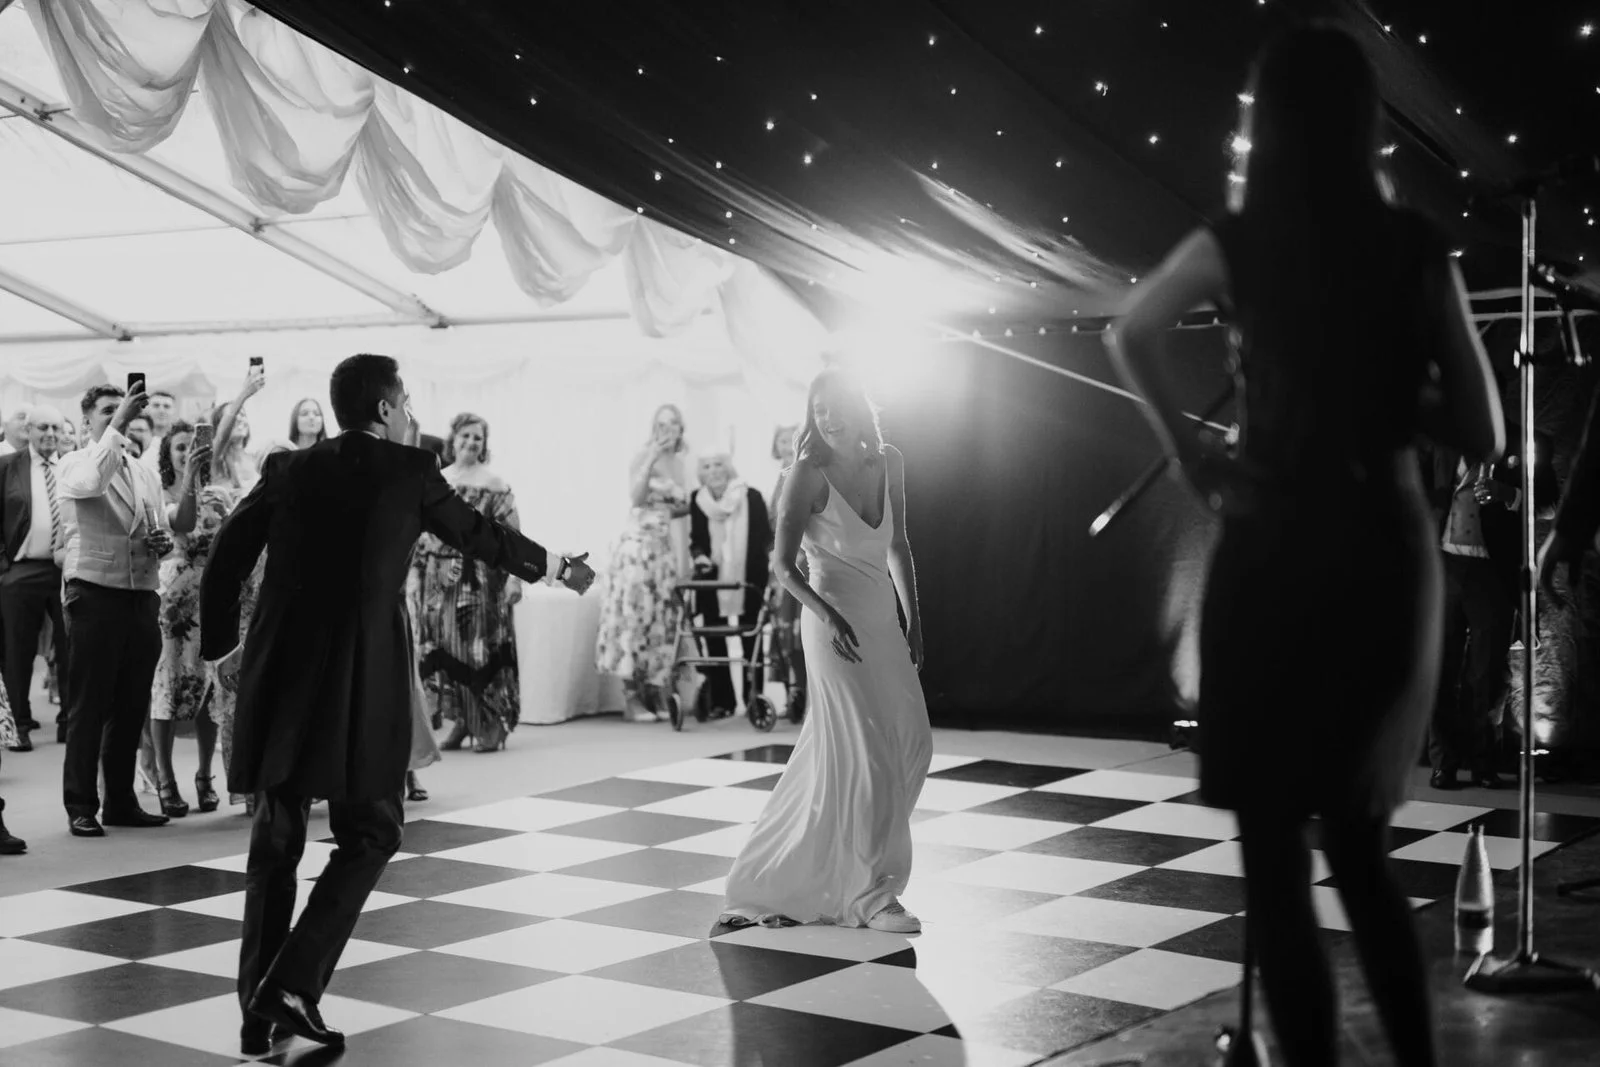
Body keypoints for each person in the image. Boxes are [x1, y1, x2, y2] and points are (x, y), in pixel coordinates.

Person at [1104, 26, 1504, 1067]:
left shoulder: (1240, 239)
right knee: (1361, 854)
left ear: (1266, 121)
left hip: (1270, 550)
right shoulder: (1412, 246)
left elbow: (1132, 329)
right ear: (1365, 121)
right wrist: (1382, 386)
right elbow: (1484, 429)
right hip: (1378, 553)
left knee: (1273, 859)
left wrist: (1191, 454)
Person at [199, 353, 595, 1056]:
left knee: (276, 843)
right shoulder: (411, 471)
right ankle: (291, 984)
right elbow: (481, 536)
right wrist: (557, 566)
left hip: (280, 670)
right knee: (372, 831)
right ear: (384, 409)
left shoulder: (288, 468)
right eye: (406, 401)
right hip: (360, 676)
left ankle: (257, 1017)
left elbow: (227, 555)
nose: (412, 414)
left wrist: (222, 649)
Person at [720, 368, 930, 934]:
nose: (829, 419)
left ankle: (810, 868)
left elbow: (899, 544)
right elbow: (782, 567)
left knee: (913, 743)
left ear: (859, 408)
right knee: (867, 757)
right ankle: (873, 895)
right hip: (830, 624)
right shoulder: (805, 476)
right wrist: (828, 614)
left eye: (837, 407)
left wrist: (914, 620)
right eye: (819, 410)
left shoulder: (889, 463)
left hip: (882, 621)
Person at [58, 382, 178, 837]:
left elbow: (158, 527)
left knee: (131, 705)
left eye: (123, 408)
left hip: (142, 594)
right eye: (108, 410)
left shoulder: (144, 471)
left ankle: (121, 802)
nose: (118, 414)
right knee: (89, 706)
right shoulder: (75, 462)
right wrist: (121, 423)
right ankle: (81, 804)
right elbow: (92, 484)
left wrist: (162, 543)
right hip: (93, 592)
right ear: (87, 419)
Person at [412, 413, 525, 752]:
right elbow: (420, 532)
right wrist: (415, 576)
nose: (471, 442)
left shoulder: (495, 484)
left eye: (478, 437)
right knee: (444, 650)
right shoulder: (437, 481)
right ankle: (462, 721)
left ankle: (490, 724)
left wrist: (515, 580)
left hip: (479, 581)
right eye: (466, 436)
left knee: (478, 651)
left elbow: (513, 538)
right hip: (439, 582)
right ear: (453, 439)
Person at [596, 404, 692, 721]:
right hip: (637, 546)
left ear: (680, 429)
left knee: (660, 620)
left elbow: (683, 506)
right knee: (634, 617)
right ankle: (631, 697)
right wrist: (651, 458)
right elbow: (636, 498)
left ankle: (654, 690)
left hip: (663, 548)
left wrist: (670, 509)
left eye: (673, 424)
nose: (667, 430)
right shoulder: (643, 456)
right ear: (654, 428)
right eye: (661, 424)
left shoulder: (681, 464)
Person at [0, 406, 69, 751]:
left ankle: (70, 721)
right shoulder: (7, 466)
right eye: (43, 427)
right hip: (20, 570)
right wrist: (4, 566)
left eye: (56, 427)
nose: (50, 434)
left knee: (71, 648)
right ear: (28, 430)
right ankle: (19, 724)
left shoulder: (72, 465)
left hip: (67, 570)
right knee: (17, 652)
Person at [688, 453, 772, 712]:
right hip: (712, 576)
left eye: (718, 464)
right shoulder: (698, 499)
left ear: (728, 469)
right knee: (714, 637)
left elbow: (765, 538)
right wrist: (699, 556)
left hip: (748, 575)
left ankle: (753, 698)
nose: (714, 470)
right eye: (707, 466)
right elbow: (696, 539)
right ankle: (722, 701)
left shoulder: (751, 496)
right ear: (701, 473)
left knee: (750, 636)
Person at [768, 425, 807, 710]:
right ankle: (793, 692)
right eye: (782, 440)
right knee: (783, 632)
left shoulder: (804, 472)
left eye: (791, 439)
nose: (786, 445)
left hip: (803, 558)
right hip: (781, 559)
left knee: (800, 630)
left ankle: (804, 692)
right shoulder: (780, 476)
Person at [140, 390, 178, 470]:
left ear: (174, 411)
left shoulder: (180, 444)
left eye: (166, 406)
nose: (161, 411)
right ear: (147, 409)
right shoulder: (138, 442)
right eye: (156, 406)